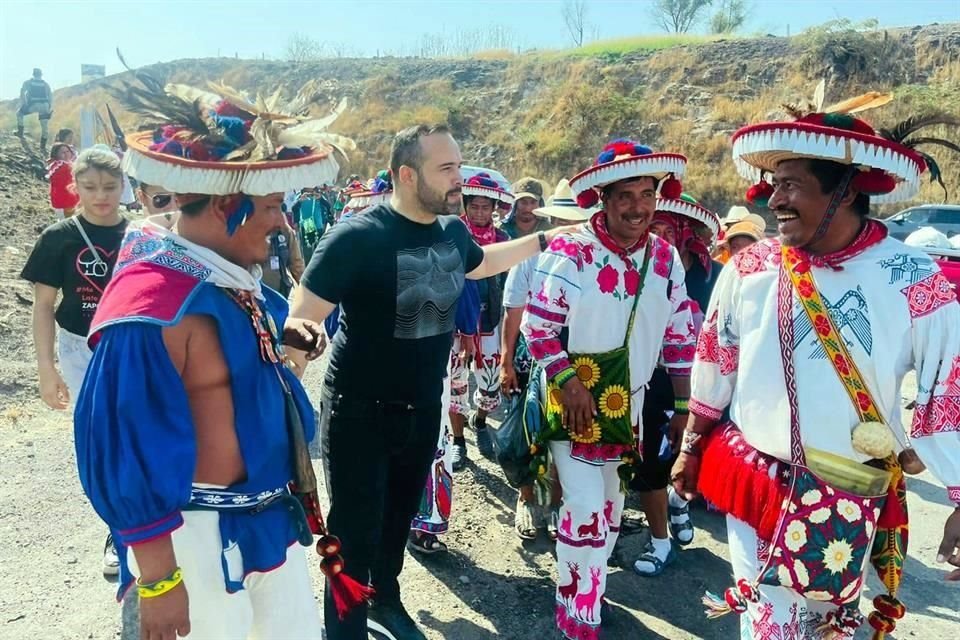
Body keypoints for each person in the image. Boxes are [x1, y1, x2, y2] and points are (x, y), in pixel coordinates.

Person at [73, 79, 354, 639]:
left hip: (268, 525)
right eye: (273, 207)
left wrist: (283, 331)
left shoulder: (225, 280)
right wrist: (157, 581)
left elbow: (231, 340)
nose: (283, 223)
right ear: (228, 203)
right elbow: (123, 448)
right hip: (196, 544)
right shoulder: (149, 308)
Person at [673, 100, 960, 639]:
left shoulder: (911, 277)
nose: (772, 198)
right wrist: (691, 447)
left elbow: (950, 385)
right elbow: (716, 360)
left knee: (830, 629)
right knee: (768, 628)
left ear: (846, 190)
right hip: (758, 482)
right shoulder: (749, 267)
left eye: (792, 184)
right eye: (773, 183)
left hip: (849, 492)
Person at [289, 123, 567, 640]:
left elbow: (483, 265)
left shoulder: (453, 233)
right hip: (358, 412)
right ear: (406, 175)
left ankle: (386, 602)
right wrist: (286, 386)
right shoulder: (356, 237)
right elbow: (302, 316)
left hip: (422, 408)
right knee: (351, 535)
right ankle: (344, 629)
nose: (459, 179)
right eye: (447, 169)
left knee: (398, 519)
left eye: (459, 166)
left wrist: (546, 239)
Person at [521, 139, 696, 638]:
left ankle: (583, 587)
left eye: (647, 194)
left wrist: (682, 406)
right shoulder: (571, 249)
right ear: (602, 197)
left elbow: (681, 332)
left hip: (631, 405)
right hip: (575, 400)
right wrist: (569, 382)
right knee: (583, 504)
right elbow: (538, 326)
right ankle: (579, 609)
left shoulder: (664, 258)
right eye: (625, 195)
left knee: (613, 506)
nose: (638, 207)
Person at [21, 146, 129, 576]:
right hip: (80, 348)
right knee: (102, 439)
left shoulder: (141, 236)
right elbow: (43, 307)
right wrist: (46, 369)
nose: (100, 196)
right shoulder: (58, 238)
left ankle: (151, 526)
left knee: (139, 434)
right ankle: (116, 530)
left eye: (109, 186)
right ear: (74, 188)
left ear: (124, 186)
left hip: (133, 347)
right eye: (89, 187)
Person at [630, 192, 721, 576]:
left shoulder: (712, 276)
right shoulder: (638, 269)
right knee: (650, 460)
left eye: (669, 229)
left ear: (685, 234)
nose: (662, 237)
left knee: (697, 455)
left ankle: (679, 503)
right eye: (655, 229)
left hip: (706, 383)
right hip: (652, 382)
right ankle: (660, 541)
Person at [502, 178, 590, 540]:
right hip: (532, 353)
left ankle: (555, 504)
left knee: (566, 436)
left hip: (578, 356)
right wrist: (507, 361)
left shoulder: (594, 257)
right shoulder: (529, 256)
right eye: (559, 221)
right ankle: (526, 500)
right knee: (528, 432)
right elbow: (514, 310)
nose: (566, 229)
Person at [449, 171, 513, 469]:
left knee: (489, 384)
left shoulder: (503, 239)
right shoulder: (451, 233)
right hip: (455, 323)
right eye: (473, 206)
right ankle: (459, 441)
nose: (479, 212)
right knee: (456, 382)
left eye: (485, 207)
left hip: (490, 320)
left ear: (494, 209)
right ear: (465, 205)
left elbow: (511, 282)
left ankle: (482, 420)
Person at [260, 220, 306, 299]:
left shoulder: (285, 230)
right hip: (256, 295)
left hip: (280, 294)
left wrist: (306, 294)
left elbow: (297, 265)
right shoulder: (248, 229)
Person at [17, 68, 53, 151]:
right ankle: (42, 146)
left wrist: (24, 103)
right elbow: (50, 96)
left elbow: (22, 92)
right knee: (44, 127)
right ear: (41, 74)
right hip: (45, 105)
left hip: (33, 105)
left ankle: (20, 133)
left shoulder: (28, 82)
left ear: (33, 74)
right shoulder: (45, 84)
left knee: (19, 114)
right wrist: (49, 107)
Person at [46, 142, 80, 219]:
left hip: (66, 201)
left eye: (67, 151)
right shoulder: (61, 165)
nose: (66, 154)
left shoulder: (59, 165)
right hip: (66, 202)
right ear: (56, 155)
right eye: (62, 152)